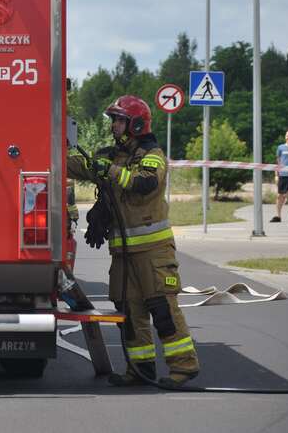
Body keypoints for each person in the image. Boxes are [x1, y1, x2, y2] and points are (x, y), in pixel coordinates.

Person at [68, 95, 200, 388]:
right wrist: (53, 151)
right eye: (113, 120)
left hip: (153, 251)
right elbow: (85, 167)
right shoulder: (113, 155)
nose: (114, 125)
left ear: (135, 124)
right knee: (129, 312)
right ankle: (140, 370)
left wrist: (110, 171)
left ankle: (184, 366)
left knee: (163, 310)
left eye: (119, 120)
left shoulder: (151, 154)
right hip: (124, 253)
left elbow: (144, 184)